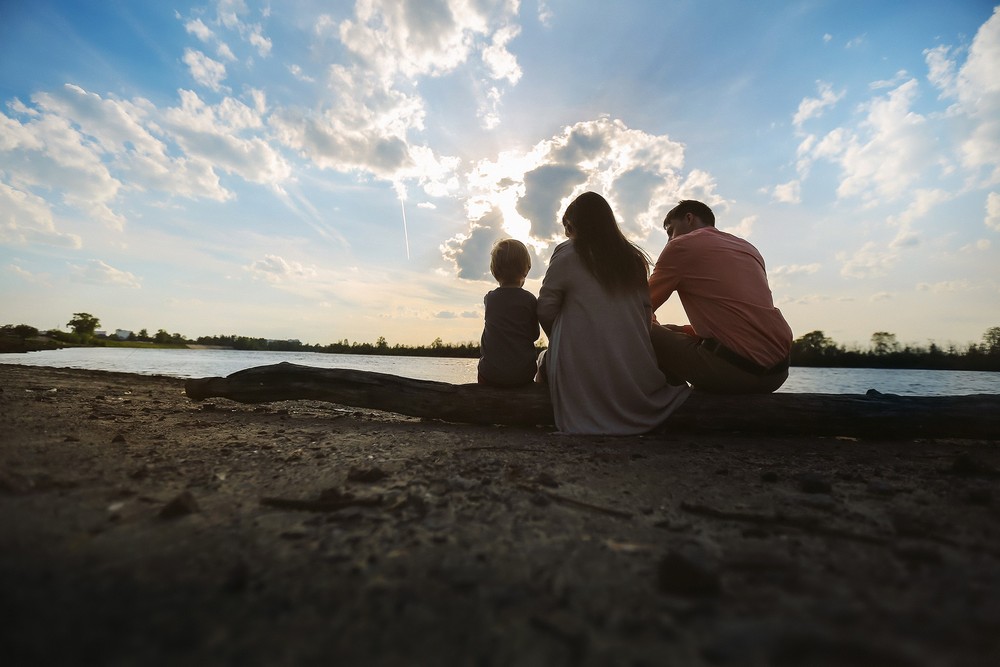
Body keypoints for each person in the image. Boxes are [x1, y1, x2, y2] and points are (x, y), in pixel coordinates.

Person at [537, 192, 689, 434]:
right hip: (631, 361)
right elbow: (645, 312)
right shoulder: (633, 258)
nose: (566, 234)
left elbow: (545, 309)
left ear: (576, 225)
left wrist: (559, 342)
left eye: (568, 227)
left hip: (579, 361)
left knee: (542, 360)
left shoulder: (567, 253)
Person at [648, 200, 793, 393]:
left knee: (642, 329)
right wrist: (680, 331)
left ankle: (671, 402)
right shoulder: (748, 248)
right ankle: (693, 394)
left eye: (670, 230)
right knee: (672, 331)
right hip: (778, 373)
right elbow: (742, 314)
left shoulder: (680, 246)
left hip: (734, 372)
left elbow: (637, 305)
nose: (669, 240)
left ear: (689, 218)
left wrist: (653, 324)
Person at [477, 238, 540, 387]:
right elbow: (535, 335)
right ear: (527, 268)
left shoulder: (489, 299)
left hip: (491, 375)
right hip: (523, 375)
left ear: (494, 270)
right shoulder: (530, 300)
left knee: (482, 364)